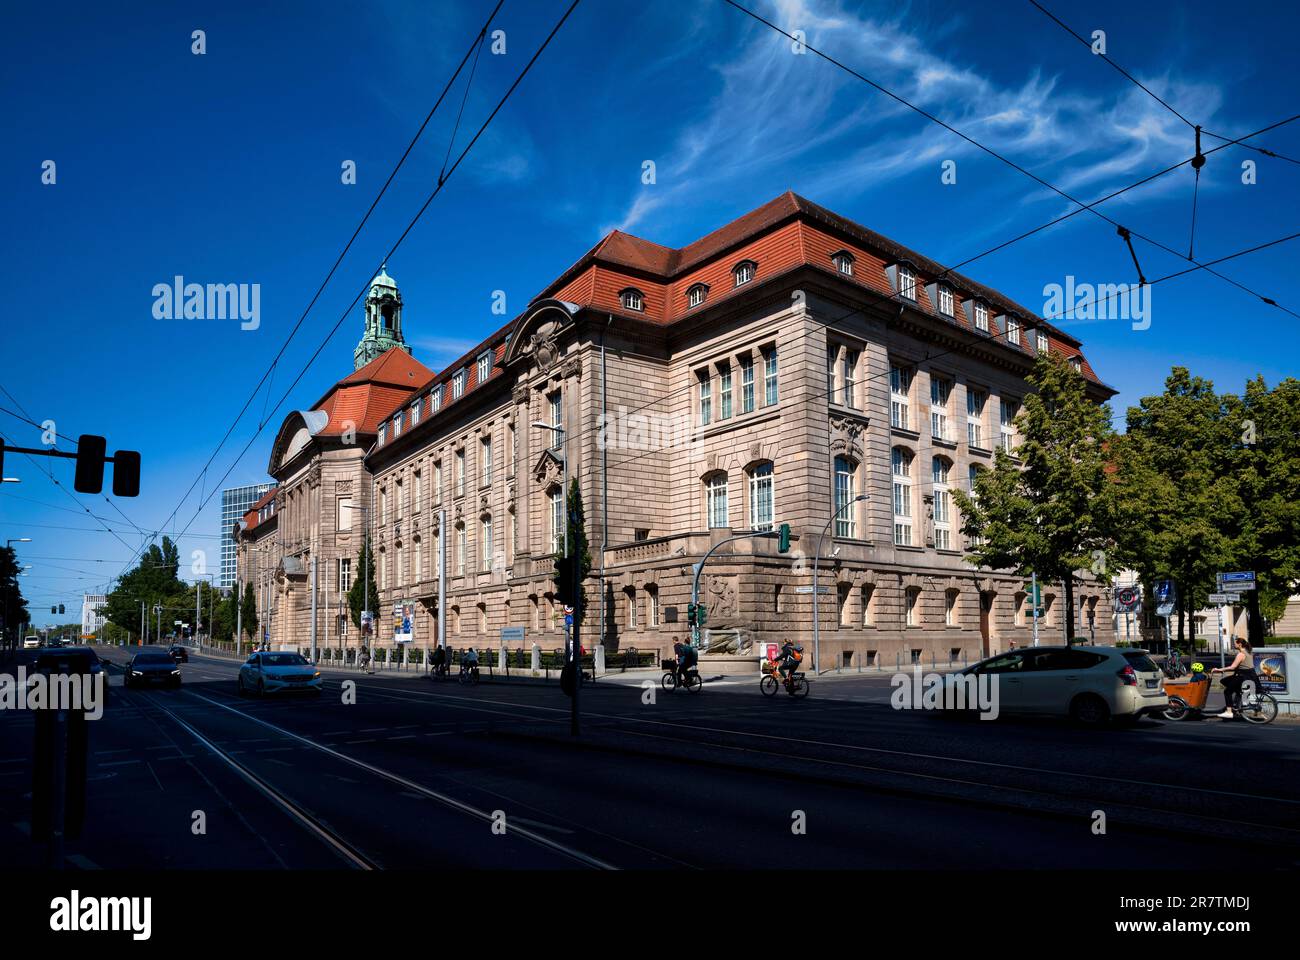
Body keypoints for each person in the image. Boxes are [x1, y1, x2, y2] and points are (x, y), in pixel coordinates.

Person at [1211, 638, 1256, 719]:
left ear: (1240, 644)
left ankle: (1229, 712)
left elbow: (1233, 667)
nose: (1233, 644)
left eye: (1235, 643)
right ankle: (1236, 702)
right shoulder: (1248, 652)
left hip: (1243, 677)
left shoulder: (1241, 654)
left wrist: (1219, 669)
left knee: (1227, 691)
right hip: (1250, 676)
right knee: (1224, 680)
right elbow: (1242, 666)